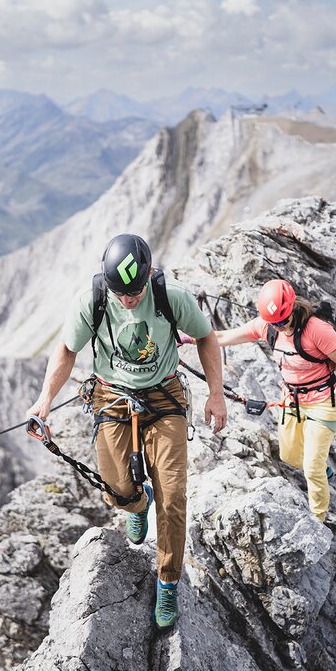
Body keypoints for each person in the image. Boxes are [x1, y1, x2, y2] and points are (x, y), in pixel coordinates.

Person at [27, 233, 227, 631]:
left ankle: (167, 581)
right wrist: (45, 399)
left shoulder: (172, 296)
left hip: (164, 395)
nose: (128, 300)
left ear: (148, 275)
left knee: (173, 495)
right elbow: (67, 349)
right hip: (112, 396)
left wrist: (216, 394)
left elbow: (206, 336)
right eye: (120, 293)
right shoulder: (93, 301)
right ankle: (137, 503)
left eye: (134, 292)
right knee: (117, 489)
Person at [207, 279, 336, 523]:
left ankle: (318, 520)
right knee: (290, 456)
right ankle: (321, 470)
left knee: (312, 468)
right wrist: (192, 339)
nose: (279, 327)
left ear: (292, 308)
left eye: (282, 321)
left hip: (322, 402)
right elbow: (223, 336)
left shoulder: (317, 330)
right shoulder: (269, 326)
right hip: (291, 401)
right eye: (274, 323)